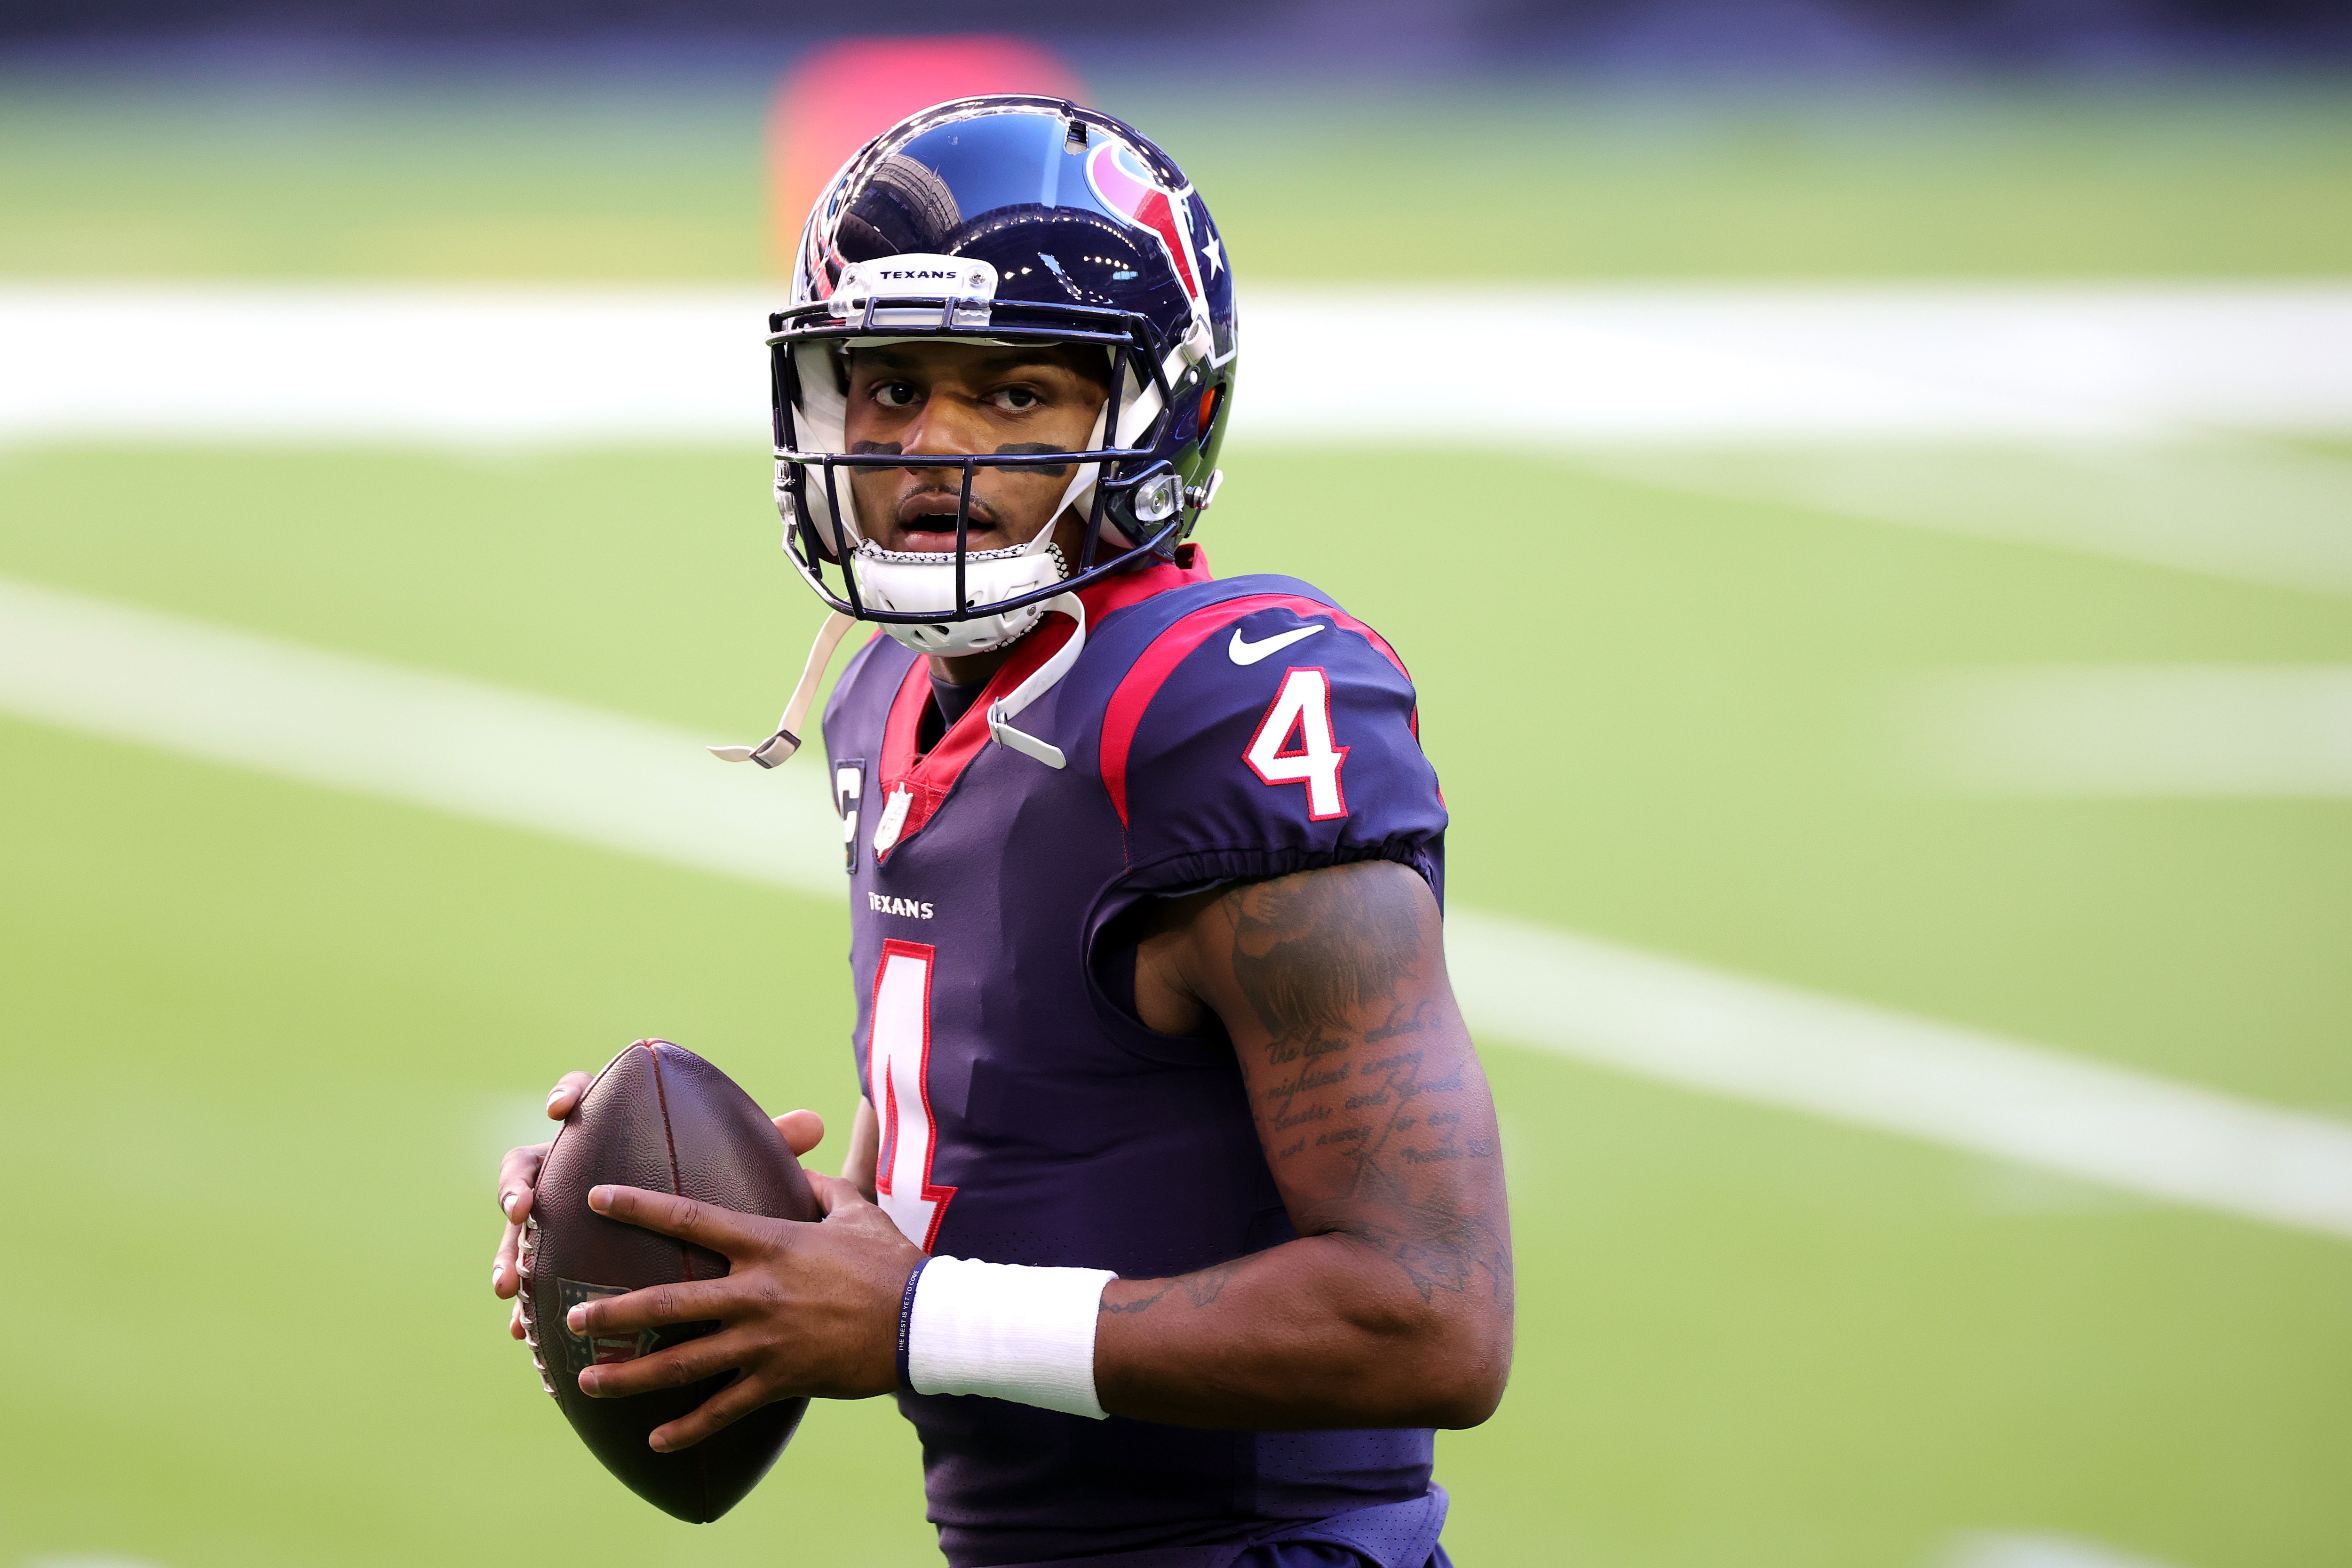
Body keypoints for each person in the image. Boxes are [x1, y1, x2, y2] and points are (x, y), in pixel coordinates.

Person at [490, 96, 1511, 1568]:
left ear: (1155, 417)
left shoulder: (1217, 707)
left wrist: (913, 1318)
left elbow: (1433, 1316)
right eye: (893, 387)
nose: (934, 446)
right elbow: (1001, 1187)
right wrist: (707, 1232)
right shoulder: (890, 697)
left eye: (1018, 394)